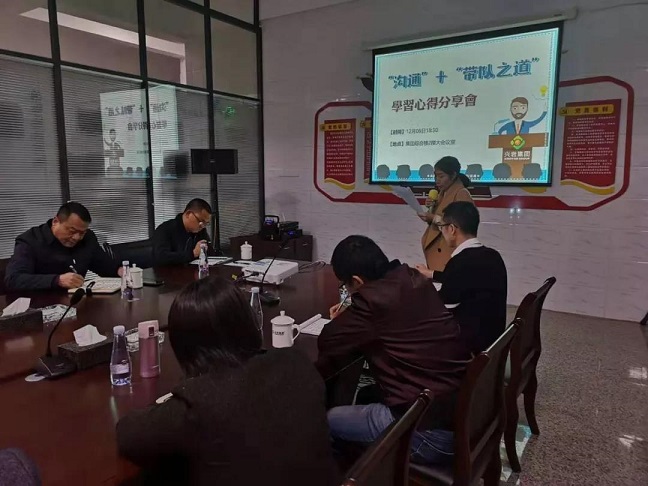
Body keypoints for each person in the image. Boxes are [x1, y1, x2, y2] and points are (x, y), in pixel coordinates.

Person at [117, 277, 338, 486]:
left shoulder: (199, 400)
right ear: (248, 322)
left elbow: (128, 435)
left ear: (184, 346)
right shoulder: (296, 361)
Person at [316, 236, 471, 465]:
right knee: (367, 393)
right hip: (461, 413)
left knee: (327, 420)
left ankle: (352, 475)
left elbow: (329, 341)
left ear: (357, 281)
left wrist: (340, 320)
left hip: (429, 434)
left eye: (345, 286)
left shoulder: (371, 302)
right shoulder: (412, 277)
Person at [417, 202, 508, 354]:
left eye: (442, 227)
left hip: (471, 347)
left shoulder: (461, 262)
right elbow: (465, 280)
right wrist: (430, 273)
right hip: (492, 340)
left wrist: (418, 291)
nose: (442, 231)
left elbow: (442, 308)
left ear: (452, 229)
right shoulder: (492, 255)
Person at [4, 202, 121, 291]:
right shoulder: (31, 240)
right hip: (40, 305)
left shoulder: (87, 238)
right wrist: (57, 280)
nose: (76, 237)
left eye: (81, 233)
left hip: (78, 302)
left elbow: (103, 265)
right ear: (55, 221)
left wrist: (121, 271)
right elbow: (13, 279)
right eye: (72, 231)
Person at [419, 156, 474, 274]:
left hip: (449, 250)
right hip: (439, 250)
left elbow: (462, 225)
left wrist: (433, 218)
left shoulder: (461, 193)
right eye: (435, 176)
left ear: (453, 175)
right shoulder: (442, 193)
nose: (437, 180)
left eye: (441, 176)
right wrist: (431, 209)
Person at [153, 198, 216, 266]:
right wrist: (193, 254)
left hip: (194, 270)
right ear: (188, 214)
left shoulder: (200, 230)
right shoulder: (165, 229)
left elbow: (211, 253)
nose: (203, 226)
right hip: (170, 271)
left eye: (206, 223)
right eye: (201, 221)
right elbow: (161, 257)